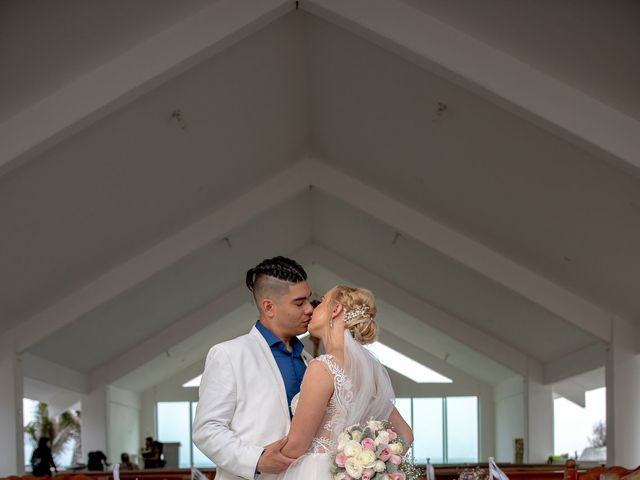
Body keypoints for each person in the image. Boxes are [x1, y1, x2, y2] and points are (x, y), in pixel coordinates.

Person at [192, 256, 314, 480]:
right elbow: (206, 430)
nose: (309, 309)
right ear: (269, 307)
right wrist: (257, 460)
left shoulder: (310, 360)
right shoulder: (229, 354)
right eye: (299, 303)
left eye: (309, 300)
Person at [281, 285, 413, 480]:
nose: (311, 309)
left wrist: (257, 456)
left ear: (335, 310)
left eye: (322, 301)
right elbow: (406, 435)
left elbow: (295, 447)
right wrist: (371, 466)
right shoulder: (371, 372)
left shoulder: (322, 367)